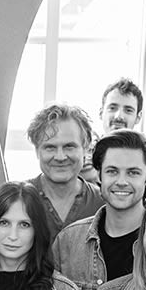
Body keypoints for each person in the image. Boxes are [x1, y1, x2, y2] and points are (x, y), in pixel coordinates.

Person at [52, 129, 146, 290]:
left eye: (133, 172)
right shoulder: (68, 241)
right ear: (99, 174)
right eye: (112, 171)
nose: (122, 181)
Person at [22, 103, 102, 246]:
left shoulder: (102, 204)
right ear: (37, 151)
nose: (60, 157)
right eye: (50, 147)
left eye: (69, 146)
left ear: (86, 148)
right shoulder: (17, 199)